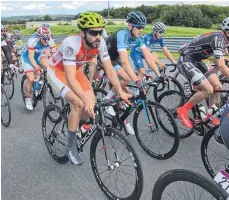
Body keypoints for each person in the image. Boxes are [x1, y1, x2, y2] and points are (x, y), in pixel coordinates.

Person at [47, 11, 131, 166]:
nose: (98, 36)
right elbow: (70, 78)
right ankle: (70, 146)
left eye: (100, 31)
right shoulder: (71, 44)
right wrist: (83, 98)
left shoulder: (100, 43)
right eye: (93, 32)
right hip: (57, 71)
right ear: (83, 33)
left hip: (75, 71)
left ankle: (77, 125)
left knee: (90, 105)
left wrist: (120, 91)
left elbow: (110, 69)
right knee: (79, 103)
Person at [105, 11, 158, 135]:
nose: (141, 30)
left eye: (143, 27)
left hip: (115, 57)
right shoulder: (122, 35)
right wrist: (137, 80)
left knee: (127, 88)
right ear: (130, 26)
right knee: (127, 78)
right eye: (139, 27)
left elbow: (148, 56)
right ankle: (107, 100)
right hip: (105, 58)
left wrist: (159, 75)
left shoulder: (138, 37)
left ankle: (122, 118)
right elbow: (124, 62)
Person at [176, 17, 229, 129]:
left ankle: (210, 115)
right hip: (186, 60)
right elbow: (221, 66)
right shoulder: (218, 39)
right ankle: (183, 110)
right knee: (208, 89)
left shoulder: (224, 39)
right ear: (227, 32)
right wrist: (222, 63)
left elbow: (218, 59)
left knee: (218, 86)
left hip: (198, 61)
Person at [21, 24, 56, 111]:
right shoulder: (32, 41)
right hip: (27, 57)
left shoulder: (50, 40)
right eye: (44, 39)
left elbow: (55, 55)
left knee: (47, 65)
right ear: (40, 36)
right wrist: (36, 67)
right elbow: (31, 58)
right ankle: (28, 98)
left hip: (39, 54)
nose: (46, 40)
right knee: (31, 78)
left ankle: (40, 81)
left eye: (48, 38)